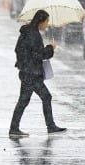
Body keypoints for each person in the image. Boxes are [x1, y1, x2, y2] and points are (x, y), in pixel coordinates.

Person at [9, 10, 66, 138]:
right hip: (31, 74)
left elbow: (19, 50)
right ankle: (49, 126)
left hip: (27, 72)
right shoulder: (33, 34)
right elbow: (39, 54)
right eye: (46, 22)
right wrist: (50, 48)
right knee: (40, 98)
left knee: (27, 100)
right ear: (40, 21)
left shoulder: (27, 32)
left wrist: (24, 62)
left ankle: (15, 127)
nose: (47, 24)